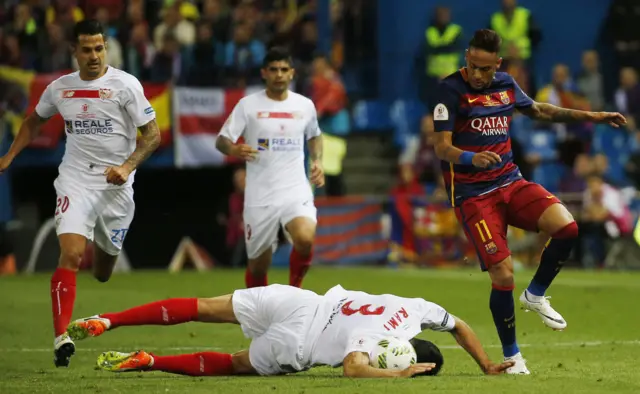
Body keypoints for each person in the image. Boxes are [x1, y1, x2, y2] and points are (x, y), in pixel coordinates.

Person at [432, 29, 626, 374]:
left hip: (511, 182)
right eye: (473, 66)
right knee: (503, 274)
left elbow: (540, 111)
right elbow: (441, 147)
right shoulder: (449, 90)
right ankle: (513, 357)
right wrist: (468, 158)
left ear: (498, 64)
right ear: (466, 58)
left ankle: (535, 295)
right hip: (474, 196)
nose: (478, 75)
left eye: (486, 69)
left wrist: (594, 116)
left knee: (566, 226)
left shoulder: (505, 84)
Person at [0, 20, 161, 367]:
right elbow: (33, 121)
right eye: (86, 49)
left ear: (106, 48)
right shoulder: (60, 88)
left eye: (99, 48)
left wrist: (127, 166)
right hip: (75, 180)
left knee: (103, 271)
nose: (93, 56)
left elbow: (153, 135)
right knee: (70, 254)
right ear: (73, 51)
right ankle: (61, 338)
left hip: (117, 187)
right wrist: (10, 155)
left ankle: (91, 284)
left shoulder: (125, 85)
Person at [67, 284, 514, 377]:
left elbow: (459, 325)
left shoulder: (415, 306)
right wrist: (397, 375)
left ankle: (111, 319)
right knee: (235, 365)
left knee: (203, 307)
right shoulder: (381, 341)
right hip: (298, 344)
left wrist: (486, 364)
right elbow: (355, 371)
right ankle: (152, 361)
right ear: (408, 353)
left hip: (300, 299)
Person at [215, 47, 324, 289]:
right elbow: (222, 140)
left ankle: (295, 290)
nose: (279, 74)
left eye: (284, 69)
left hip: (295, 188)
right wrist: (234, 150)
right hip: (260, 193)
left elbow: (315, 136)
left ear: (292, 73)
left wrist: (317, 161)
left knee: (305, 238)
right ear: (264, 73)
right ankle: (258, 311)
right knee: (258, 266)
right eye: (273, 69)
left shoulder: (304, 105)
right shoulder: (248, 105)